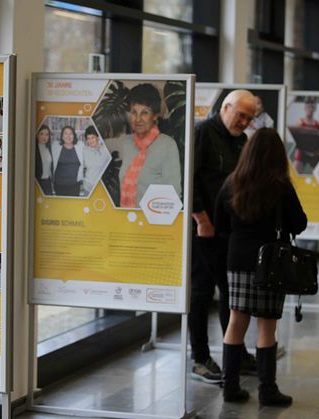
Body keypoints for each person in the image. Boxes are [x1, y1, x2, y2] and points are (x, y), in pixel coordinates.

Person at [214, 128, 307, 405]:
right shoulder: (280, 186)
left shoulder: (232, 182)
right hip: (270, 263)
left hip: (238, 260)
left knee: (235, 322)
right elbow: (299, 223)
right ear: (278, 156)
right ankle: (267, 391)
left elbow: (220, 224)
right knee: (267, 327)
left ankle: (230, 387)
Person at [190, 89, 257, 384]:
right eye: (240, 114)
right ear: (225, 107)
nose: (243, 121)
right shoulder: (203, 133)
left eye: (249, 118)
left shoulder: (241, 141)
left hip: (231, 231)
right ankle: (200, 358)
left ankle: (235, 352)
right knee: (202, 293)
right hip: (204, 230)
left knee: (232, 293)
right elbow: (186, 178)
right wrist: (200, 218)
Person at [117, 83, 181, 207]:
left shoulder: (167, 145)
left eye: (145, 113)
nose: (138, 119)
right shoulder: (127, 143)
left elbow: (173, 195)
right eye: (134, 112)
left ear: (155, 116)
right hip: (126, 221)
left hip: (153, 223)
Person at [292, 98, 319, 173]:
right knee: (295, 174)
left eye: (312, 107)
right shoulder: (300, 122)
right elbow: (294, 130)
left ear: (315, 109)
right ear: (305, 108)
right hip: (302, 152)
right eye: (308, 107)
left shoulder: (318, 123)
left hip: (314, 153)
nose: (310, 109)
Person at [50, 126, 84, 196]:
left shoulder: (80, 146)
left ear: (74, 136)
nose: (68, 136)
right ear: (62, 136)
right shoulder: (55, 146)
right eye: (65, 133)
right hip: (59, 185)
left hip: (75, 185)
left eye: (70, 134)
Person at [81, 125, 111, 196]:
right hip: (87, 188)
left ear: (97, 137)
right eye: (88, 138)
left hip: (102, 188)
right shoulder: (84, 151)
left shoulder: (105, 150)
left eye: (92, 137)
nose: (90, 141)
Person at [35, 125, 53, 194]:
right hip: (38, 182)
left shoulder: (49, 148)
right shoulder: (34, 149)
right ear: (37, 135)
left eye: (47, 134)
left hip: (48, 182)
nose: (44, 137)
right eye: (41, 134)